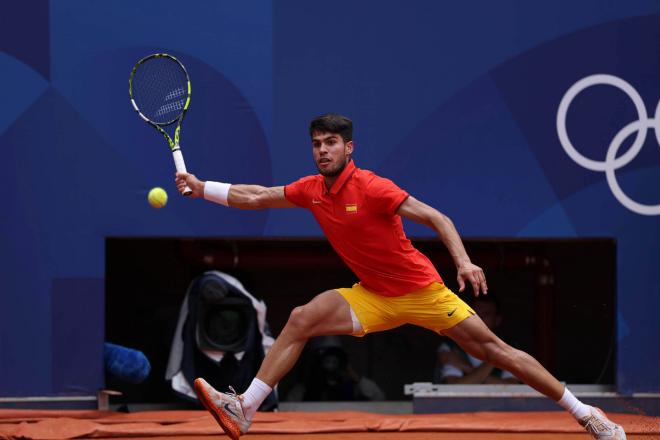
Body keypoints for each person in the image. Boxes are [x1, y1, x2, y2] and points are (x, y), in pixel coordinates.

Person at [175, 113, 625, 440]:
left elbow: (438, 218)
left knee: (497, 352)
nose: (323, 150)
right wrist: (202, 188)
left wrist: (464, 262)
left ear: (348, 148)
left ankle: (587, 414)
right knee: (300, 318)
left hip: (421, 291)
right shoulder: (312, 190)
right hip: (373, 295)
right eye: (316, 143)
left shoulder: (372, 187)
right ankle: (245, 408)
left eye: (331, 142)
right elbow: (257, 196)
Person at [435, 295, 520, 384]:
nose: (480, 319)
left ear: (497, 320)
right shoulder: (451, 346)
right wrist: (497, 360)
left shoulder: (509, 348)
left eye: (486, 314)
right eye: (475, 314)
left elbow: (511, 387)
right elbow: (455, 386)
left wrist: (467, 368)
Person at [286, 336, 385, 401]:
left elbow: (379, 399)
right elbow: (288, 407)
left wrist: (355, 377)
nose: (331, 365)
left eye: (335, 360)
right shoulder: (304, 388)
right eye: (326, 360)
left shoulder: (353, 386)